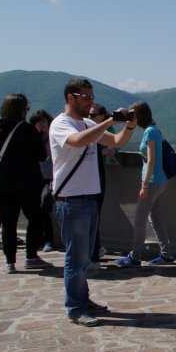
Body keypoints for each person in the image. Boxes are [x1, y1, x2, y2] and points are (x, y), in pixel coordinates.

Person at [50, 78, 137, 326]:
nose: (90, 101)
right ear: (71, 97)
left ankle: (83, 300)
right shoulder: (61, 124)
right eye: (85, 97)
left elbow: (116, 142)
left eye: (91, 96)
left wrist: (129, 127)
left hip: (89, 198)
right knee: (75, 259)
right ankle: (75, 308)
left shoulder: (88, 123)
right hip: (71, 200)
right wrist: (109, 121)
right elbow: (77, 141)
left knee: (84, 257)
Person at [0, 94, 52, 273]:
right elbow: (41, 155)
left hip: (3, 184)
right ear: (22, 110)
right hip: (28, 182)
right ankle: (31, 256)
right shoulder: (26, 130)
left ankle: (10, 262)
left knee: (8, 222)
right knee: (35, 218)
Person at [115, 101, 175, 267]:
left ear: (140, 115)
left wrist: (144, 185)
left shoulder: (149, 132)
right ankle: (166, 254)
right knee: (156, 219)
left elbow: (151, 160)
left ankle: (135, 257)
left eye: (133, 114)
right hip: (160, 181)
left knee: (139, 221)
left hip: (153, 182)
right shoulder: (154, 129)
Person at [87, 104, 114, 267]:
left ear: (102, 116)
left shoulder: (102, 132)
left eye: (93, 115)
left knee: (93, 216)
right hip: (92, 176)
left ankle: (94, 253)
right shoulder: (90, 130)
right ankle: (94, 251)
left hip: (97, 175)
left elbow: (114, 145)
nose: (90, 117)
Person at [30, 110, 56, 252]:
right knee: (36, 209)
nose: (42, 124)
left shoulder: (54, 135)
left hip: (50, 176)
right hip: (36, 176)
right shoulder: (33, 138)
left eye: (44, 121)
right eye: (39, 122)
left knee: (45, 208)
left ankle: (48, 240)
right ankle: (39, 239)